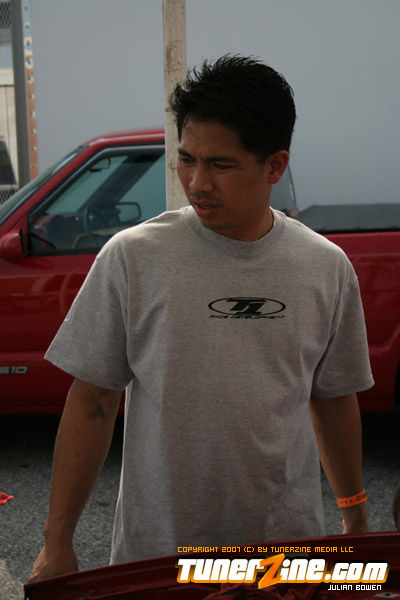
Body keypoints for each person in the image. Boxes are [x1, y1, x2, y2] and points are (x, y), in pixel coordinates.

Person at [29, 54, 374, 582]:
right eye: (186, 159)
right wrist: (57, 544)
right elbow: (92, 402)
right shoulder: (133, 257)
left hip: (283, 558)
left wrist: (355, 519)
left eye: (221, 165)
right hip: (158, 557)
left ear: (275, 166)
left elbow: (333, 400)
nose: (197, 182)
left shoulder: (324, 267)